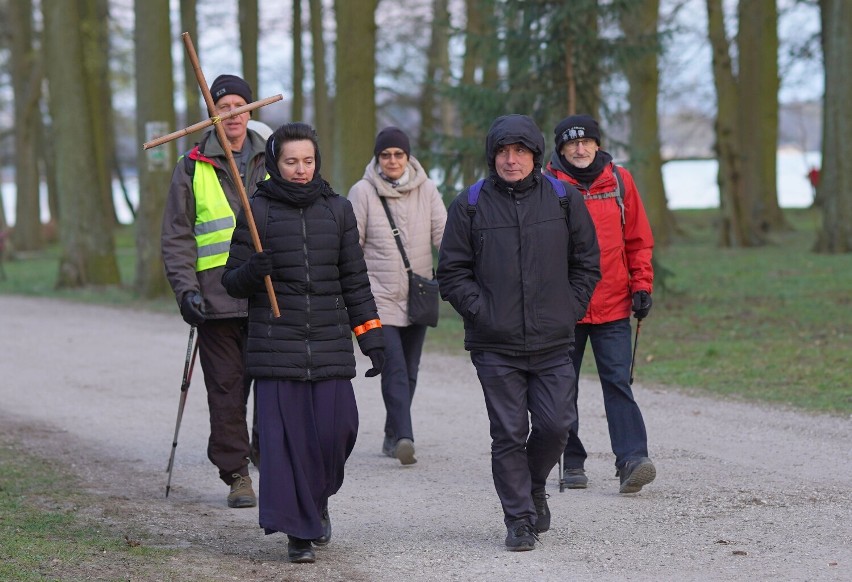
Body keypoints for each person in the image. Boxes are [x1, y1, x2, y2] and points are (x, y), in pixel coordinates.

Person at [222, 122, 385, 564]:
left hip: (329, 344)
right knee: (286, 444)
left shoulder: (338, 210)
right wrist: (253, 271)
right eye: (291, 161)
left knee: (338, 433)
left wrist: (373, 339)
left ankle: (317, 500)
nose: (300, 169)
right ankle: (299, 530)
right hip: (277, 348)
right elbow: (232, 283)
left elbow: (355, 280)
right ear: (275, 163)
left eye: (307, 161)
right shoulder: (257, 212)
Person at [437, 114, 601, 551]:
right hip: (496, 345)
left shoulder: (564, 198)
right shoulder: (469, 204)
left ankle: (533, 485)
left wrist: (569, 309)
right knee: (508, 432)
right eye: (504, 152)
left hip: (553, 339)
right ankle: (519, 520)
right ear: (492, 156)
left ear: (535, 155)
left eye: (521, 151)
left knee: (556, 425)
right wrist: (484, 313)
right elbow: (451, 273)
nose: (512, 160)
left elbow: (587, 262)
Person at [161, 73, 265, 509]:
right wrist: (186, 292)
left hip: (268, 296)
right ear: (212, 113)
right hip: (216, 299)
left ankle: (268, 453)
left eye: (239, 106)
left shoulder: (274, 157)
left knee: (277, 384)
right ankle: (237, 472)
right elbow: (177, 236)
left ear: (251, 110)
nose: (232, 114)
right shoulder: (192, 164)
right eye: (223, 107)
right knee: (226, 386)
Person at [545, 113, 656, 494]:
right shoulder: (548, 185)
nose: (579, 148)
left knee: (618, 382)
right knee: (563, 386)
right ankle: (571, 461)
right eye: (571, 142)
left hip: (613, 304)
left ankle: (632, 460)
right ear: (561, 148)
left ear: (597, 145)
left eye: (586, 141)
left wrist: (642, 284)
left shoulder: (620, 182)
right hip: (565, 306)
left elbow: (638, 240)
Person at [347, 126, 447, 466]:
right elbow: (351, 245)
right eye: (385, 155)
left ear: (408, 157)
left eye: (398, 154)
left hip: (418, 293)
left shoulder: (428, 190)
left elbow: (443, 236)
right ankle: (405, 435)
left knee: (412, 368)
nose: (392, 160)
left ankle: (392, 434)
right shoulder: (361, 192)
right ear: (377, 158)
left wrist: (457, 269)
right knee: (393, 368)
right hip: (378, 297)